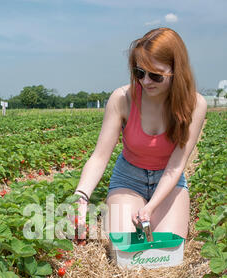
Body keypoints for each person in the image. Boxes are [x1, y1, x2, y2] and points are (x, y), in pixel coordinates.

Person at [73, 27, 207, 242]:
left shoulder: (195, 105)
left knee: (166, 245)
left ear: (176, 71)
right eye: (139, 73)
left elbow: (175, 166)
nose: (145, 82)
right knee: (122, 242)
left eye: (155, 75)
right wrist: (81, 196)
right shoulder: (122, 98)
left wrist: (151, 207)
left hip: (169, 181)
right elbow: (99, 156)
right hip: (128, 179)